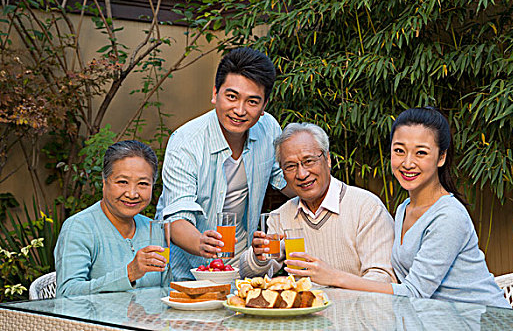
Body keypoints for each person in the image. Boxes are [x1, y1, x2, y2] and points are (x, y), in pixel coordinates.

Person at [286, 107, 509, 308]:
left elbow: (414, 292)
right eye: (399, 151)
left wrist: (334, 277)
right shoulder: (404, 209)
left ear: (441, 157)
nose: (408, 163)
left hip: (483, 319)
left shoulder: (448, 217)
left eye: (421, 152)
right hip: (441, 320)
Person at [155, 47, 293, 280]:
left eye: (252, 101)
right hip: (188, 268)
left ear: (264, 106)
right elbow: (175, 217)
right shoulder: (186, 142)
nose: (239, 110)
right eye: (232, 96)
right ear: (215, 94)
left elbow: (285, 181)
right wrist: (200, 242)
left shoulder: (269, 128)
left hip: (241, 266)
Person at [240, 123, 397, 284]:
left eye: (308, 161)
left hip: (356, 308)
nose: (302, 174)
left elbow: (383, 279)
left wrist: (333, 279)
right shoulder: (281, 216)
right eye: (290, 166)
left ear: (327, 159)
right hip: (304, 308)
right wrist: (258, 258)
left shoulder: (366, 207)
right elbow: (250, 275)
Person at [55, 140, 170, 297]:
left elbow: (165, 290)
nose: (132, 193)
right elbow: (66, 294)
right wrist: (129, 274)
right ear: (104, 182)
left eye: (143, 183)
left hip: (150, 321)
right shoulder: (79, 227)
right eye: (122, 182)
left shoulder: (153, 229)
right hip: (95, 321)